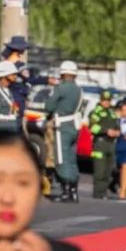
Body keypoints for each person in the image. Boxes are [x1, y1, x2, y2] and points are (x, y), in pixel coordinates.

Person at [44, 61, 82, 203]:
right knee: (72, 159)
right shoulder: (78, 89)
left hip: (62, 125)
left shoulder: (61, 88)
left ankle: (66, 191)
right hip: (74, 125)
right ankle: (74, 191)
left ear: (63, 73)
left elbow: (49, 106)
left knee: (61, 158)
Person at [89, 90, 119, 200]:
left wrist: (117, 132)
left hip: (110, 144)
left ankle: (104, 191)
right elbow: (92, 127)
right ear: (100, 100)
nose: (106, 102)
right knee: (100, 170)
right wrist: (106, 131)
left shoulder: (112, 112)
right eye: (104, 100)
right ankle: (98, 193)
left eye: (108, 100)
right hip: (100, 143)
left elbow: (116, 125)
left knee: (108, 170)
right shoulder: (96, 112)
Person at [0, 62, 20, 133]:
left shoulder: (9, 91)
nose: (15, 76)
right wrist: (12, 119)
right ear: (4, 75)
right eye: (13, 74)